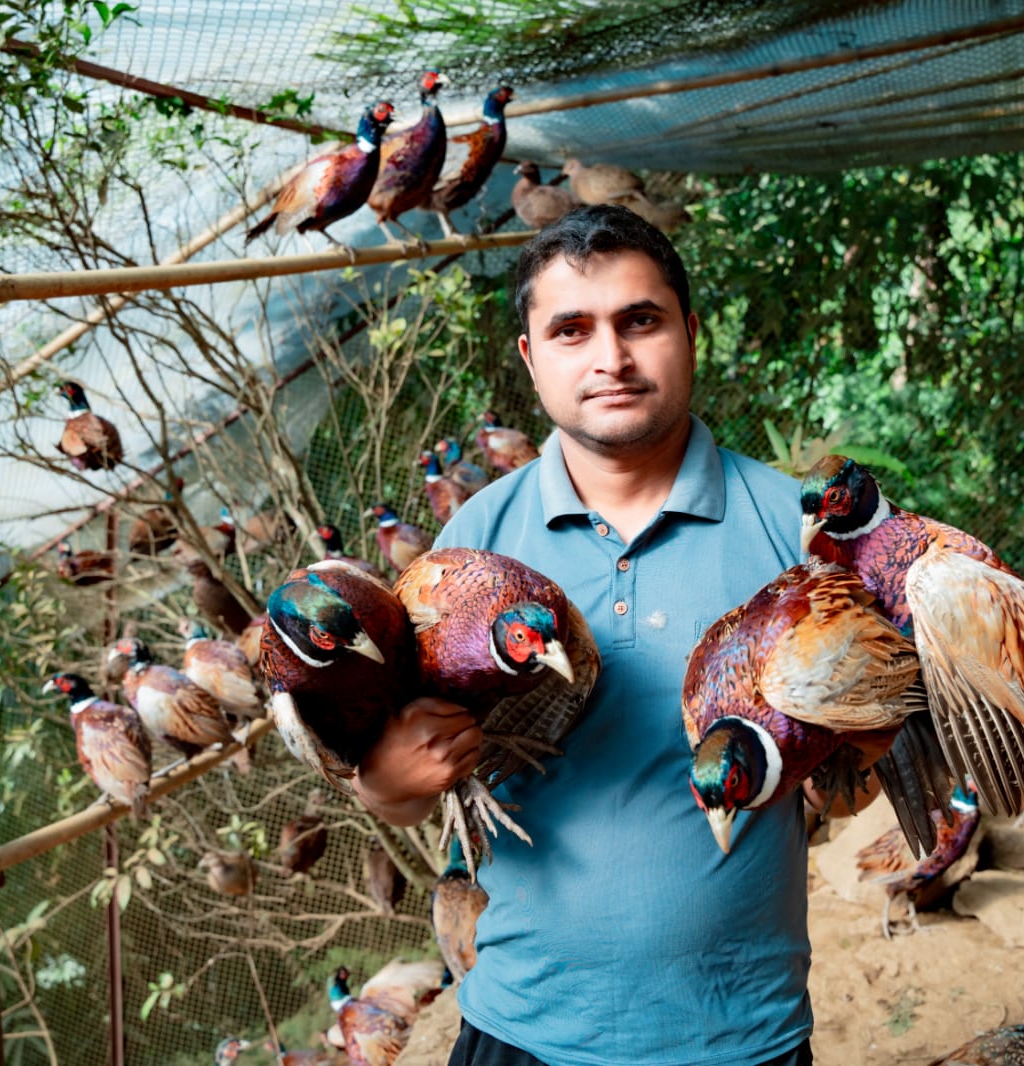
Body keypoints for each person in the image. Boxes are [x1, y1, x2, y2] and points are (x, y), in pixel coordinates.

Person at [354, 204, 843, 1066]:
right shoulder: (471, 544)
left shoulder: (795, 531)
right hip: (522, 1029)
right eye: (572, 330)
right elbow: (401, 787)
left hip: (739, 1035)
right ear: (530, 358)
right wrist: (387, 781)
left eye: (640, 322)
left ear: (691, 333)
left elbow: (860, 762)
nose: (611, 358)